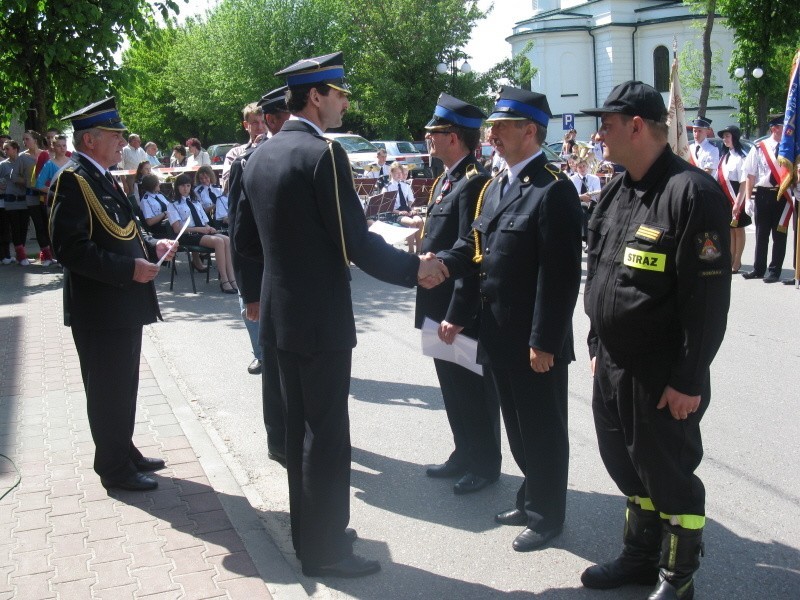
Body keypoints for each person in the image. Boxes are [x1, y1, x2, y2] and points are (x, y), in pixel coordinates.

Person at [237, 51, 447, 578]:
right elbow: (354, 240)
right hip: (319, 317)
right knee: (326, 433)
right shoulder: (322, 155)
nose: (345, 101)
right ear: (316, 96)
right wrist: (413, 269)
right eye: (340, 92)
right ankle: (325, 550)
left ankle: (313, 530)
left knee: (298, 428)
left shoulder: (261, 153)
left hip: (282, 316)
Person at [579, 81, 730, 599]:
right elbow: (601, 272)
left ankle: (677, 575)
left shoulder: (693, 193)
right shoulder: (617, 190)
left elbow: (707, 304)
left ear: (637, 127)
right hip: (615, 365)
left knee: (670, 477)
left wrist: (688, 378)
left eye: (608, 124)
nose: (600, 134)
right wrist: (598, 345)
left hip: (663, 371)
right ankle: (640, 558)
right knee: (626, 464)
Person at [437, 86, 583, 553]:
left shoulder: (554, 189)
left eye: (502, 126)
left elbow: (559, 277)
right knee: (518, 428)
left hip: (533, 341)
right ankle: (529, 494)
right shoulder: (498, 185)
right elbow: (474, 248)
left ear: (530, 130)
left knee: (542, 428)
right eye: (492, 126)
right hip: (498, 334)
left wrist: (545, 341)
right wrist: (436, 265)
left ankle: (546, 516)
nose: (492, 134)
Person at [48, 97, 175, 492]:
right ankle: (114, 468)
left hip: (120, 303)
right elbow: (69, 249)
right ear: (89, 139)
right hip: (101, 308)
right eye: (115, 136)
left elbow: (125, 229)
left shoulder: (100, 175)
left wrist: (151, 245)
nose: (122, 142)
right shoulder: (73, 180)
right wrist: (129, 269)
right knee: (108, 389)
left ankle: (123, 450)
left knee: (123, 384)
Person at [417, 93, 501, 495]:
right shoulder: (445, 179)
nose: (428, 139)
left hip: (457, 308)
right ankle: (463, 451)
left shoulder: (475, 183)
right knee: (451, 385)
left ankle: (484, 463)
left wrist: (458, 314)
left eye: (434, 133)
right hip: (435, 303)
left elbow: (474, 254)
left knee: (473, 389)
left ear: (453, 137)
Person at [228, 86, 291, 465]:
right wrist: (250, 292)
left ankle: (296, 432)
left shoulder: (304, 154)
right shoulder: (246, 161)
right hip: (267, 282)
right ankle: (279, 439)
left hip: (298, 285)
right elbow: (240, 235)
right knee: (273, 364)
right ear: (271, 119)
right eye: (285, 116)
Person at [166, 173, 237, 293]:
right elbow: (177, 229)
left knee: (227, 239)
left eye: (188, 186)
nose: (185, 189)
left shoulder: (195, 202)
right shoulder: (172, 205)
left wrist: (209, 228)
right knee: (219, 242)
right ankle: (224, 280)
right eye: (182, 186)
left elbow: (204, 222)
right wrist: (200, 230)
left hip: (201, 232)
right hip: (186, 236)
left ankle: (232, 278)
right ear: (177, 187)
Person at [741, 113, 789, 283]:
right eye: (784, 127)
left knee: (779, 235)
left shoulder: (788, 148)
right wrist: (748, 199)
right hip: (763, 194)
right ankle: (758, 268)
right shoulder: (760, 147)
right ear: (774, 128)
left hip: (782, 195)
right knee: (761, 234)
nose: (787, 130)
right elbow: (750, 175)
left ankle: (775, 270)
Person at [716, 125, 750, 273]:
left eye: (727, 136)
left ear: (734, 137)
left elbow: (744, 182)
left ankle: (737, 260)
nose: (725, 139)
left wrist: (738, 202)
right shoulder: (724, 156)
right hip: (725, 196)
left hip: (737, 195)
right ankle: (730, 257)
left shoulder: (742, 157)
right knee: (730, 229)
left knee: (738, 229)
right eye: (724, 137)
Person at [221, 102, 269, 193]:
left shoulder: (277, 149)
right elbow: (227, 187)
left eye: (263, 122)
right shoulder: (235, 153)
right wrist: (253, 150)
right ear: (246, 125)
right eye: (255, 123)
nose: (260, 127)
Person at [383, 161, 424, 252]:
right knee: (412, 223)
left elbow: (410, 201)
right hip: (395, 213)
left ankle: (419, 251)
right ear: (391, 173)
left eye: (400, 173)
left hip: (407, 210)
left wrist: (412, 209)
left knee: (419, 221)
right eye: (396, 173)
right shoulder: (387, 187)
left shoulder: (406, 185)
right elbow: (386, 207)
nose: (399, 175)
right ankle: (411, 250)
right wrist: (399, 212)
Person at [570, 157, 602, 246]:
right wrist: (581, 197)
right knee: (583, 208)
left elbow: (598, 191)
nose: (582, 169)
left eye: (584, 166)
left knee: (598, 211)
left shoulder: (594, 178)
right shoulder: (572, 179)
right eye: (580, 167)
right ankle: (586, 238)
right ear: (576, 168)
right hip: (579, 202)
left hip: (592, 202)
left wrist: (590, 195)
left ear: (587, 167)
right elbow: (571, 195)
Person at [138, 174, 175, 238]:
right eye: (157, 182)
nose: (159, 184)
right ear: (152, 185)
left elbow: (170, 206)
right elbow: (150, 222)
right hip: (160, 228)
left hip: (169, 221)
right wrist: (164, 213)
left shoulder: (159, 195)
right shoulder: (145, 201)